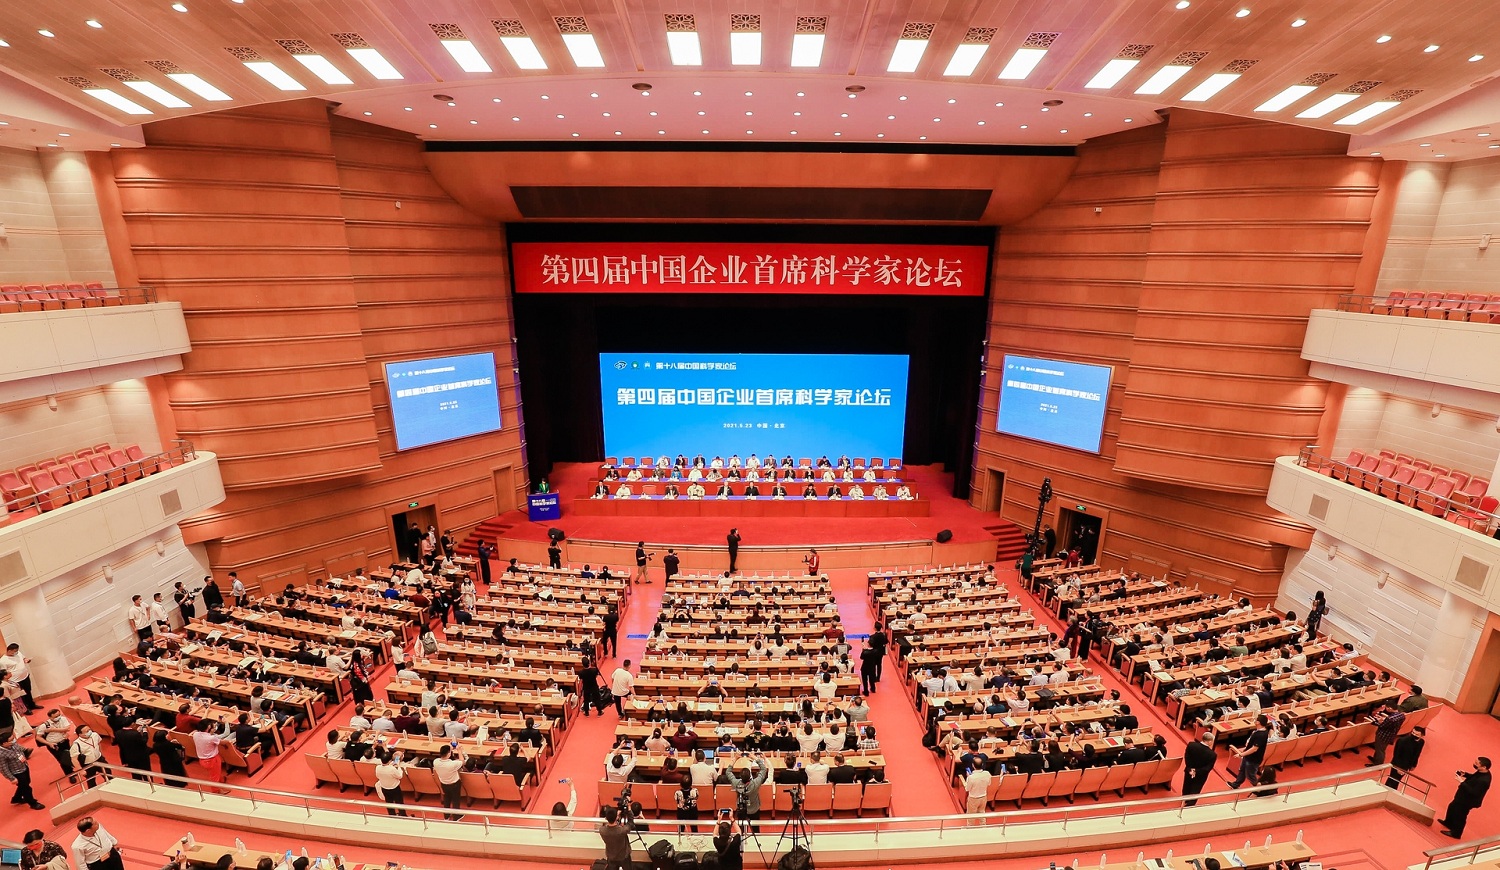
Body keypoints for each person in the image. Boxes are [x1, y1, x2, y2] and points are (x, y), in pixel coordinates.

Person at [1440, 756, 1492, 837]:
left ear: (1484, 767)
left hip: (1468, 801)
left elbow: (1474, 792)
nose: (1474, 764)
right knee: (1452, 807)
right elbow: (1474, 778)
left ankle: (1456, 833)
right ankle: (1449, 823)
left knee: (1460, 815)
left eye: (1477, 763)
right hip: (1462, 797)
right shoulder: (1482, 772)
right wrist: (1465, 774)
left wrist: (1462, 782)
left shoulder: (1484, 781)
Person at [0, 734, 44, 810]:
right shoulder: (1, 754)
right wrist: (11, 778)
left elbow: (22, 749)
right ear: (4, 743)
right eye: (11, 740)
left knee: (26, 783)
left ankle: (16, 798)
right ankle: (32, 803)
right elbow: (3, 768)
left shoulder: (13, 744)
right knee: (26, 788)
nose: (13, 741)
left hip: (24, 766)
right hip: (17, 773)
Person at [724, 754, 770, 820]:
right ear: (750, 777)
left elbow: (728, 772)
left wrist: (735, 758)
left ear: (740, 777)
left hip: (741, 809)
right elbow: (763, 769)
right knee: (755, 826)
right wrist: (755, 758)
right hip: (754, 810)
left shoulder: (736, 783)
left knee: (741, 826)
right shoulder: (755, 783)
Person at [1229, 714, 1269, 790]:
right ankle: (1236, 784)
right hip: (1248, 756)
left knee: (1250, 775)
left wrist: (1241, 754)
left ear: (1258, 722)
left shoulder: (1261, 735)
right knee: (1242, 771)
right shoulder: (1258, 731)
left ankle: (1259, 789)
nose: (1254, 720)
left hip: (1253, 759)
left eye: (1256, 719)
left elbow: (1254, 749)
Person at [1181, 732, 1218, 807]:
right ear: (1209, 741)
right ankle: (1190, 805)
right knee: (1196, 789)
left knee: (1187, 785)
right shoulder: (1212, 754)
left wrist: (1190, 769)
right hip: (1201, 775)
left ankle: (1184, 800)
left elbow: (1187, 757)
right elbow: (1208, 768)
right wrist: (1196, 771)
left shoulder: (1191, 745)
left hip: (1189, 771)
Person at [1367, 700, 1406, 766]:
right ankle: (1376, 759)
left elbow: (1382, 726)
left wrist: (1374, 722)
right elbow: (1390, 724)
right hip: (1391, 735)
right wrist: (1383, 720)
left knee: (1380, 750)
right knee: (1379, 748)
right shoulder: (1401, 715)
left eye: (1386, 708)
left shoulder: (1390, 719)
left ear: (1390, 708)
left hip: (1383, 735)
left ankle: (1378, 764)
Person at [433, 743, 465, 820]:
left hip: (444, 784)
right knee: (455, 800)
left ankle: (446, 816)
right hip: (454, 784)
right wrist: (459, 751)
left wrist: (449, 748)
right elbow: (462, 762)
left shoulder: (436, 761)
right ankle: (456, 817)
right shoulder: (452, 764)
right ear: (448, 754)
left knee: (447, 799)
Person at [1387, 725, 1426, 789]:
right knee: (1392, 779)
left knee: (1397, 780)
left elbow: (1417, 754)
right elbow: (1396, 755)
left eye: (1417, 734)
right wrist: (1399, 768)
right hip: (1397, 764)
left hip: (1406, 766)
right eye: (1413, 733)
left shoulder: (1421, 742)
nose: (1414, 735)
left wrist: (1414, 765)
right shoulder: (1402, 741)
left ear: (1422, 735)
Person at [0, 644, 36, 712]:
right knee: (21, 695)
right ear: (9, 651)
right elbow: (4, 672)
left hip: (25, 676)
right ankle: (25, 709)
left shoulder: (18, 653)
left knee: (28, 691)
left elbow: (23, 658)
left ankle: (32, 705)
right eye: (14, 651)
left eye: (17, 650)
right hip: (15, 680)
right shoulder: (2, 661)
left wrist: (26, 660)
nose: (16, 652)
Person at [374, 750, 409, 816]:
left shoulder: (378, 767)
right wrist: (398, 766)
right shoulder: (391, 769)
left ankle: (392, 815)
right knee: (399, 802)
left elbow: (377, 776)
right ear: (390, 760)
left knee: (389, 803)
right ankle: (403, 815)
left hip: (384, 787)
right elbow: (400, 776)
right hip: (394, 788)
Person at [598, 805, 632, 870]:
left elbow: (610, 826)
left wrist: (616, 816)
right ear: (616, 817)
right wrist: (629, 810)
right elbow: (630, 823)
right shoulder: (622, 830)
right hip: (623, 856)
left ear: (606, 818)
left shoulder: (602, 830)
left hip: (611, 856)